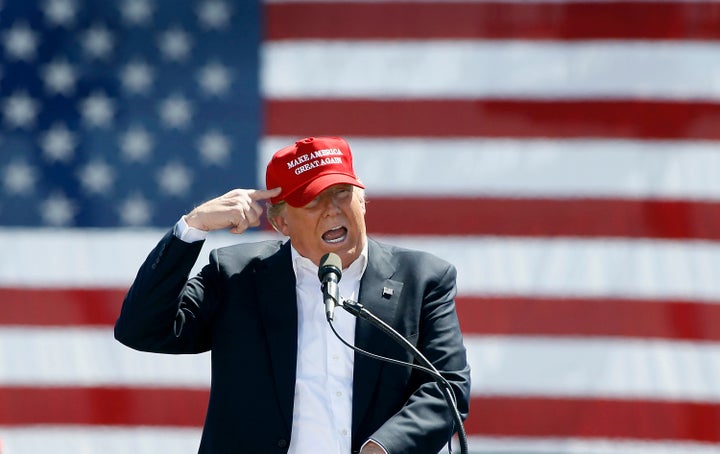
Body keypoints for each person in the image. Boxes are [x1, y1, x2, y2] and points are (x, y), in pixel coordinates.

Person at [115, 136, 471, 453]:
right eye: (313, 200)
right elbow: (141, 329)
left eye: (342, 193)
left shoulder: (422, 279)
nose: (333, 209)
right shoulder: (237, 275)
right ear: (281, 222)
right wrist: (192, 227)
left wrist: (384, 447)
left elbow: (448, 386)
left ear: (363, 200)